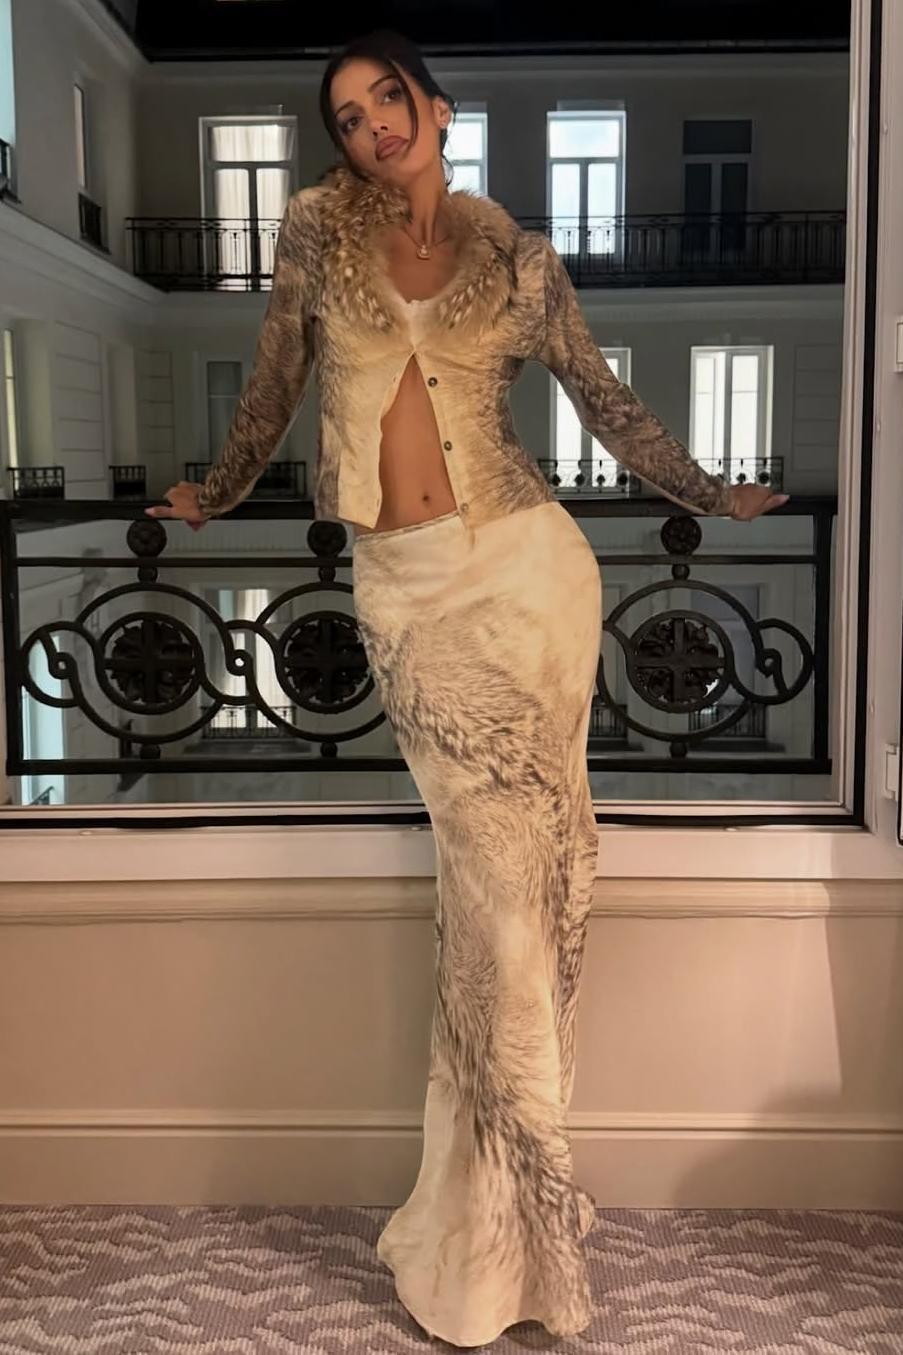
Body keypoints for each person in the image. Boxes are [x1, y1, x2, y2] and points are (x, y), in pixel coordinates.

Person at [145, 27, 788, 1347]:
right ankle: (507, 1228)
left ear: (438, 108)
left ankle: (491, 1246)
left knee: (522, 898)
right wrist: (213, 490)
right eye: (347, 115)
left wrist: (709, 492)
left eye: (389, 98)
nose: (372, 124)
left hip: (529, 572)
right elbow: (273, 384)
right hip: (409, 592)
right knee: (496, 907)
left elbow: (603, 400)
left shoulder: (519, 261)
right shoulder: (316, 237)